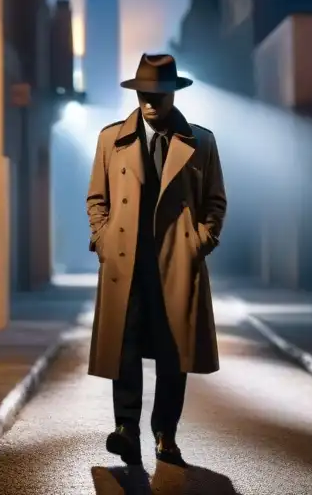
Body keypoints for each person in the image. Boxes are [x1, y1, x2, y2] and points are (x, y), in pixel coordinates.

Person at [86, 53, 226, 468]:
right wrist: (103, 239)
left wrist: (199, 242)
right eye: (145, 94)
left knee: (173, 353)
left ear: (172, 95)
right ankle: (125, 430)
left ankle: (165, 434)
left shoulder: (200, 142)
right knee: (123, 347)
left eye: (158, 95)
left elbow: (215, 202)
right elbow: (97, 198)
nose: (150, 103)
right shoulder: (111, 139)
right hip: (125, 262)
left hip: (176, 263)